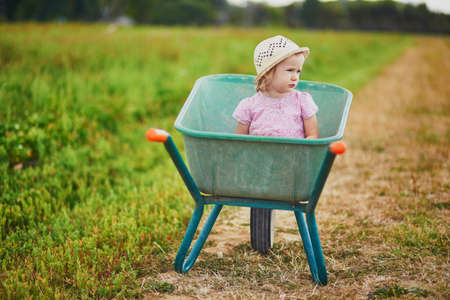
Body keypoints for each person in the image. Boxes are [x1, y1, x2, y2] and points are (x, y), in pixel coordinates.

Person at [233, 35, 319, 139]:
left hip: (293, 154)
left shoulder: (302, 101)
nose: (295, 77)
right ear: (267, 73)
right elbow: (239, 141)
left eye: (298, 71)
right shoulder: (249, 106)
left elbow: (312, 135)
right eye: (290, 70)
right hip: (258, 154)